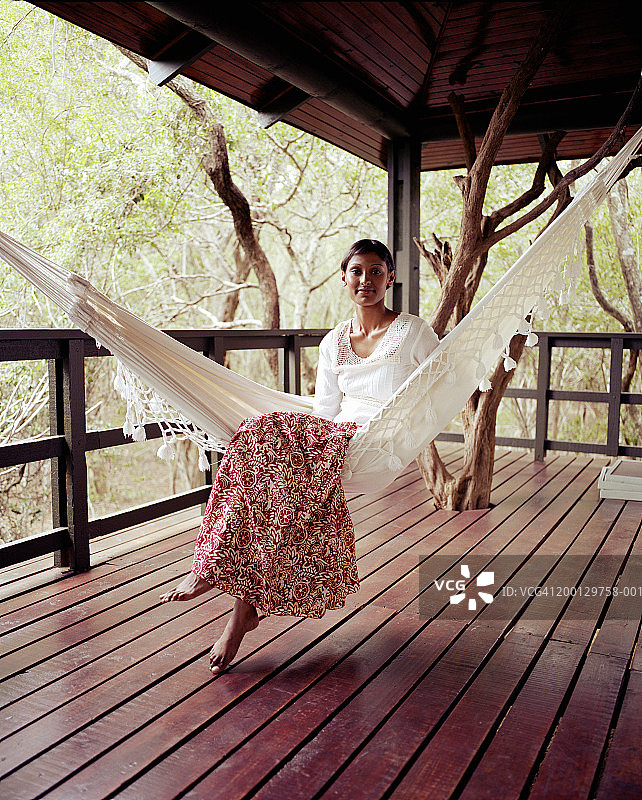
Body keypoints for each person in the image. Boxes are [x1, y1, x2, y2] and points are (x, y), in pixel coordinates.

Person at [160, 239, 438, 675]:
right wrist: (311, 439)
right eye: (357, 272)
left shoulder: (414, 333)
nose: (366, 280)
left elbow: (444, 378)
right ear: (344, 277)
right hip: (336, 432)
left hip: (379, 435)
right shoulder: (334, 342)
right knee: (270, 476)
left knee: (261, 435)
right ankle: (241, 603)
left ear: (391, 277)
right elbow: (325, 409)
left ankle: (220, 581)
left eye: (377, 272)